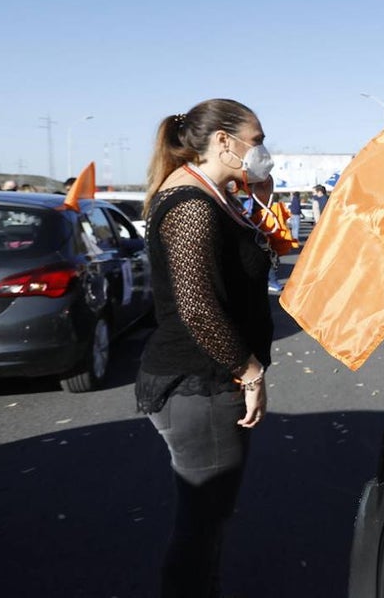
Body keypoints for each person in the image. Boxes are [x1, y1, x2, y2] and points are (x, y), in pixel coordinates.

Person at [136, 98, 276, 598]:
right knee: (201, 526)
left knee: (207, 521)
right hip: (200, 383)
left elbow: (243, 263)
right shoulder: (192, 205)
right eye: (256, 141)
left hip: (206, 381)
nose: (263, 151)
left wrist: (260, 195)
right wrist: (250, 370)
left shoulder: (210, 195)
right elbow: (196, 308)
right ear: (224, 141)